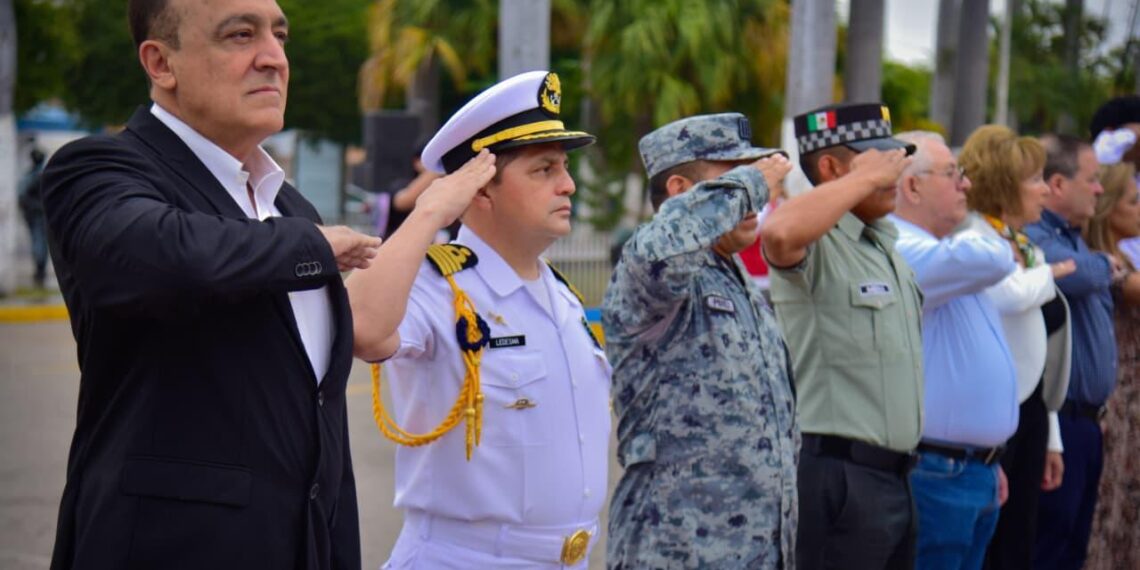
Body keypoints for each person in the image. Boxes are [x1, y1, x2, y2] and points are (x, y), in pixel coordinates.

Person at [40, 1, 383, 567]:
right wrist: (311, 246)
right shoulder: (98, 169)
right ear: (161, 63)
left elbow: (324, 441)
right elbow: (161, 256)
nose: (273, 58)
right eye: (240, 35)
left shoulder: (290, 207)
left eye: (279, 36)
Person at [347, 70, 611, 569]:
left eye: (564, 167)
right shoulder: (437, 287)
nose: (568, 184)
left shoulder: (561, 294)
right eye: (544, 170)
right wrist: (428, 213)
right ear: (482, 191)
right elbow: (359, 327)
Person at [603, 113, 798, 569]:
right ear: (679, 191)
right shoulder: (651, 268)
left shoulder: (735, 277)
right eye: (733, 176)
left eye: (752, 176)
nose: (755, 196)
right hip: (676, 551)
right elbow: (662, 254)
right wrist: (752, 183)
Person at [761, 102, 920, 570]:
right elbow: (779, 232)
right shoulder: (819, 239)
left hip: (896, 477)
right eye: (878, 160)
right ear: (831, 167)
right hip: (839, 478)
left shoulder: (881, 244)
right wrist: (864, 179)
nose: (893, 171)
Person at [888, 130, 1019, 569]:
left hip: (968, 467)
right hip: (939, 470)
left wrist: (987, 455)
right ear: (912, 186)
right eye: (951, 174)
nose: (966, 184)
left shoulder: (935, 249)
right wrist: (986, 231)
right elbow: (996, 257)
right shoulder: (900, 246)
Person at [955, 126, 1076, 570]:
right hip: (990, 418)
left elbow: (1037, 352)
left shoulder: (1023, 244)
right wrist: (1050, 275)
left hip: (1029, 410)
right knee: (991, 548)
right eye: (1034, 180)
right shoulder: (972, 239)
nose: (1045, 190)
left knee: (1019, 544)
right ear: (1004, 185)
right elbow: (1006, 295)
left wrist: (1052, 436)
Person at [1027, 134, 1117, 570]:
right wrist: (1106, 265)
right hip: (1057, 422)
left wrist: (1099, 264)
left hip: (1085, 422)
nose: (1099, 189)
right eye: (1092, 179)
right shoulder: (1036, 235)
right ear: (1058, 184)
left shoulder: (1074, 239)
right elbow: (1077, 276)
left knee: (1071, 546)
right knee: (1048, 544)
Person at [1083, 162, 1140, 570]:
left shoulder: (1123, 259)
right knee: (1110, 505)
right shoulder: (1103, 263)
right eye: (1133, 202)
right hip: (1119, 399)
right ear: (1108, 209)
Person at [18, 148, 48, 288]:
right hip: (37, 215)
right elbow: (24, 196)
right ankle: (40, 271)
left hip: (37, 214)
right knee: (39, 243)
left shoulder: (34, 175)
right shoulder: (37, 175)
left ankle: (40, 272)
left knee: (39, 243)